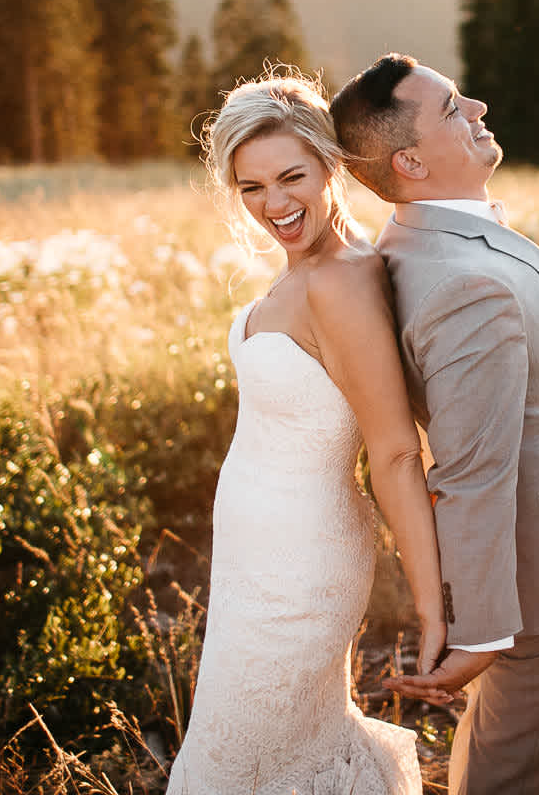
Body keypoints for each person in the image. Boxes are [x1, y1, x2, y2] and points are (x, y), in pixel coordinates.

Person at [329, 54, 539, 795]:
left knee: (496, 757)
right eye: (452, 107)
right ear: (409, 161)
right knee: (511, 777)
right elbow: (472, 469)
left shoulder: (433, 239)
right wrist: (479, 630)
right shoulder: (461, 284)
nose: (478, 107)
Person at [166, 71, 444, 794]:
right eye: (250, 187)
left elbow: (392, 450)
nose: (274, 204)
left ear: (330, 164)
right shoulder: (309, 268)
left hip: (302, 570)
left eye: (291, 177)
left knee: (246, 762)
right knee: (254, 750)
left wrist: (433, 607)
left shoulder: (342, 280)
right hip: (251, 567)